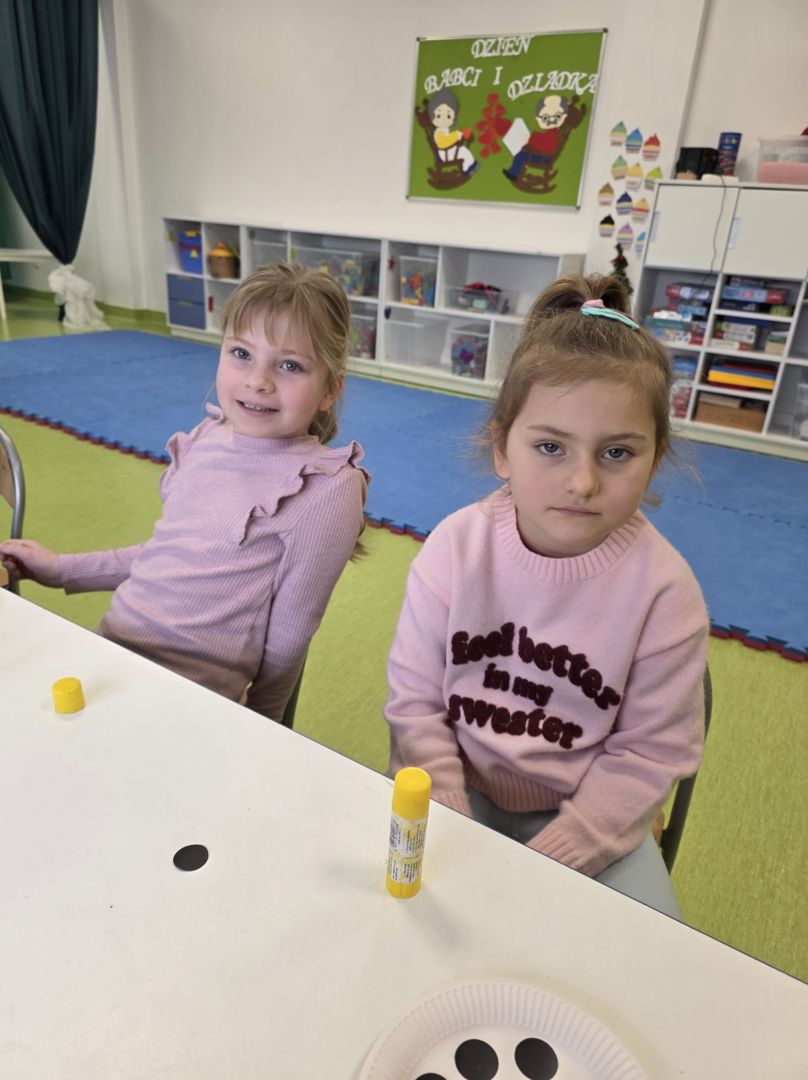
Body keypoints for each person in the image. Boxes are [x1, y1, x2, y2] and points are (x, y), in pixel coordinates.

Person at [384, 273, 708, 916]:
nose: (582, 482)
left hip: (587, 817)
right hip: (457, 793)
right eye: (551, 446)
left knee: (647, 954)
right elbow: (414, 704)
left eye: (617, 453)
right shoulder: (455, 549)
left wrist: (564, 852)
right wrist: (448, 813)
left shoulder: (666, 595)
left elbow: (649, 752)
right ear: (502, 448)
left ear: (655, 458)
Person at [0, 263, 369, 722]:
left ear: (331, 389)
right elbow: (170, 556)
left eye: (290, 365)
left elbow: (290, 636)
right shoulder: (205, 438)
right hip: (113, 649)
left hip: (191, 696)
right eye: (241, 353)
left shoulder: (327, 486)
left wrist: (264, 726)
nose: (258, 380)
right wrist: (61, 569)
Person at [427, 88, 478, 176]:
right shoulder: (439, 132)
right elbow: (443, 143)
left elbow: (449, 138)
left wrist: (459, 134)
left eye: (448, 116)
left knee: (464, 152)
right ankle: (467, 169)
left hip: (450, 150)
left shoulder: (444, 130)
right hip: (445, 153)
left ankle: (469, 167)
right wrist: (456, 135)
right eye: (439, 115)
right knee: (464, 152)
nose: (443, 119)